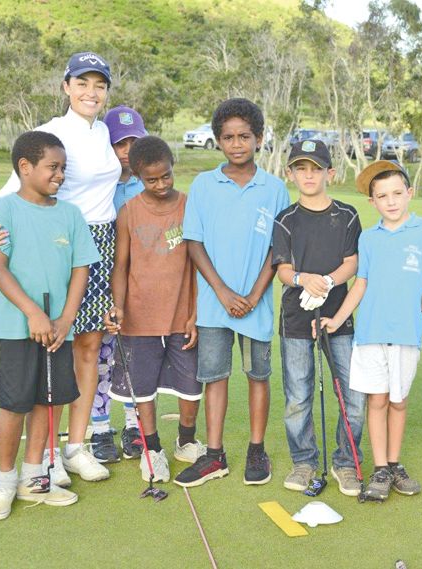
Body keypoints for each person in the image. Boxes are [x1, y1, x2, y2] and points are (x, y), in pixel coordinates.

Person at [0, 52, 121, 485]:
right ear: (66, 86)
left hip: (102, 244)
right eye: (82, 84)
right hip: (65, 243)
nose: (91, 93)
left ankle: (76, 446)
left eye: (99, 85)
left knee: (90, 347)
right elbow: (13, 188)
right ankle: (48, 453)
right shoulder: (53, 133)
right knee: (61, 348)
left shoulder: (104, 132)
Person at [321, 160, 422, 501]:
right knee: (377, 400)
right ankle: (380, 469)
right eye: (383, 196)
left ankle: (394, 463)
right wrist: (338, 319)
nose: (391, 201)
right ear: (372, 201)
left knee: (398, 402)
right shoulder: (368, 238)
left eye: (397, 193)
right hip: (370, 334)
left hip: (405, 333)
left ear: (409, 193)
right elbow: (361, 283)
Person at [0, 131, 100, 520]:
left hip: (58, 330)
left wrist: (66, 319)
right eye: (53, 167)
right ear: (25, 167)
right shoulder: (3, 209)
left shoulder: (70, 214)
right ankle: (5, 482)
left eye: (63, 168)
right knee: (13, 404)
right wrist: (32, 312)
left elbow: (81, 268)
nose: (60, 175)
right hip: (12, 328)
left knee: (49, 402)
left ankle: (34, 477)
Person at [175, 98, 289, 488]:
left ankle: (257, 449)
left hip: (256, 304)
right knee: (215, 378)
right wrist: (222, 292)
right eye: (228, 137)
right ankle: (214, 454)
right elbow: (194, 243)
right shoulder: (204, 185)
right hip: (214, 305)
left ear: (258, 138)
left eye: (244, 136)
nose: (236, 144)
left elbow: (277, 249)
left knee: (258, 375)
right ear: (218, 140)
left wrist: (255, 295)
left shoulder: (274, 189)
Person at [104, 135, 205, 483]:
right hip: (138, 318)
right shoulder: (128, 212)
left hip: (182, 316)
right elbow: (120, 266)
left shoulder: (190, 206)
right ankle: (153, 450)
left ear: (173, 167)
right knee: (143, 389)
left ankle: (186, 441)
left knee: (191, 387)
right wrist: (118, 306)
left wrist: (195, 313)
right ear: (137, 176)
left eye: (166, 176)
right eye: (151, 180)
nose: (161, 184)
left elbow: (198, 264)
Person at [271, 140, 365, 496]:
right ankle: (304, 461)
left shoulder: (347, 215)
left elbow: (352, 262)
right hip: (296, 319)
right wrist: (302, 278)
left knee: (353, 395)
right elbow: (282, 269)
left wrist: (326, 281)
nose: (308, 175)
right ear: (290, 174)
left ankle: (346, 462)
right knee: (298, 396)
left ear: (331, 173)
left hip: (339, 317)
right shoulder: (285, 219)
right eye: (301, 169)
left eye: (316, 169)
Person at [89, 105, 148, 463]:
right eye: (119, 143)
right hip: (99, 285)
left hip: (138, 286)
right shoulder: (98, 186)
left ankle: (133, 425)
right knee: (101, 358)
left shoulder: (149, 183)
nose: (127, 151)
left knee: (133, 358)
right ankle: (99, 428)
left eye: (133, 143)